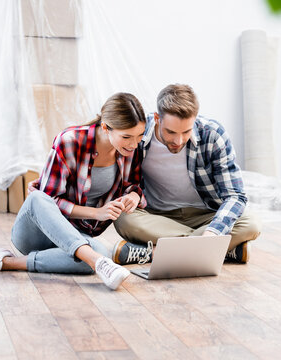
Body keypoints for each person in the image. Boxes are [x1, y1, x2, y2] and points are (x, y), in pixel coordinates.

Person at [0, 93, 147, 290]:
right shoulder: (69, 141)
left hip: (75, 238)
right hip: (36, 232)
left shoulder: (130, 150)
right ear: (105, 127)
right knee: (38, 198)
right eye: (126, 137)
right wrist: (96, 213)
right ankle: (96, 261)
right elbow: (47, 200)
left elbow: (133, 184)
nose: (134, 144)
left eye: (140, 136)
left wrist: (134, 195)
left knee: (101, 253)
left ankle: (5, 262)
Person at [112, 84, 261, 266]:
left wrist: (212, 232)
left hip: (205, 214)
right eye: (171, 132)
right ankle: (222, 249)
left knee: (250, 223)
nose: (178, 140)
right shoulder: (140, 135)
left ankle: (152, 252)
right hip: (158, 216)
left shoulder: (213, 135)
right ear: (157, 118)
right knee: (123, 218)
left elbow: (235, 195)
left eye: (186, 131)